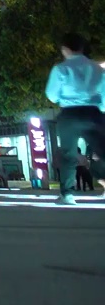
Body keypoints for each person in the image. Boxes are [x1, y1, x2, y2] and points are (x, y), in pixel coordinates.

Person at [44, 32, 105, 205]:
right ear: (82, 48)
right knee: (102, 151)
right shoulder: (97, 68)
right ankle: (102, 178)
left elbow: (52, 95)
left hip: (69, 113)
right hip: (93, 113)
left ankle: (67, 194)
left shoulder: (61, 69)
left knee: (68, 154)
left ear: (65, 49)